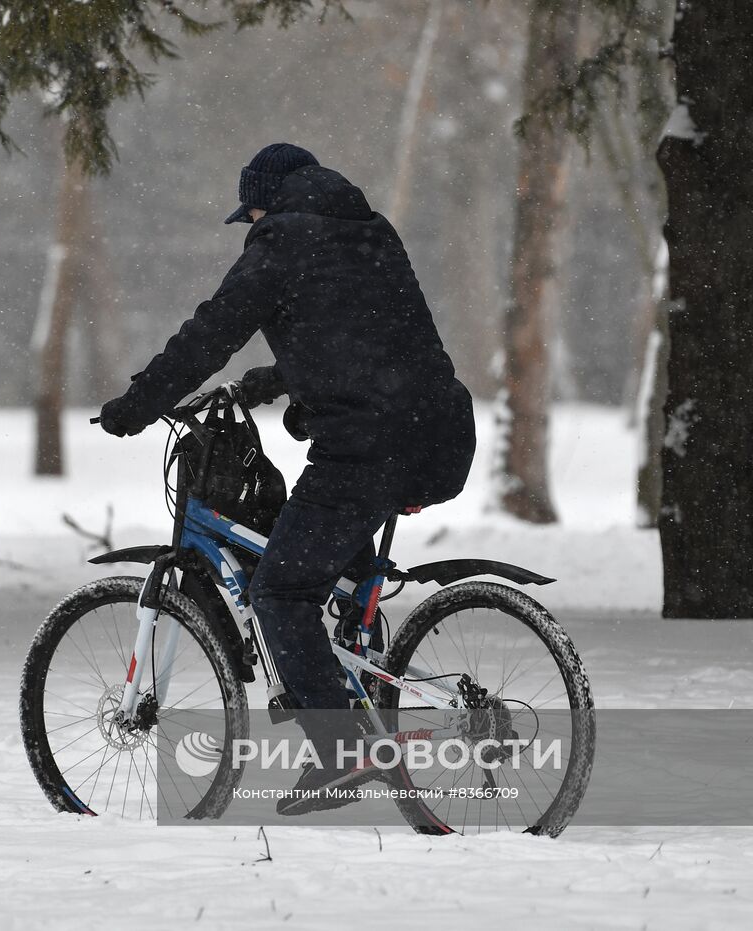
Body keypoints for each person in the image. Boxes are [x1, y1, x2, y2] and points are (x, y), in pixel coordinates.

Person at [99, 143, 476, 814]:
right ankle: (357, 671)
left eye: (250, 216)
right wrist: (274, 379)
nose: (250, 228)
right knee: (334, 578)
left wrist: (140, 401)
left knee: (280, 589)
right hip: (438, 432)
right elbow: (368, 333)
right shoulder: (368, 230)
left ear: (267, 202)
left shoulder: (282, 238)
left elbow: (211, 330)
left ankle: (343, 748)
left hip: (366, 447)